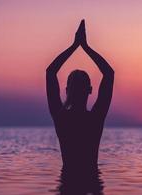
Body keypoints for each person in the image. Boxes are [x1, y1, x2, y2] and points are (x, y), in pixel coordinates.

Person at [46, 20, 114, 172]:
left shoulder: (61, 117)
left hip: (66, 186)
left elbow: (50, 72)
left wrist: (75, 46)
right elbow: (109, 74)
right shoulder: (95, 118)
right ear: (90, 90)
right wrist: (85, 47)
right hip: (92, 181)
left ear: (66, 90)